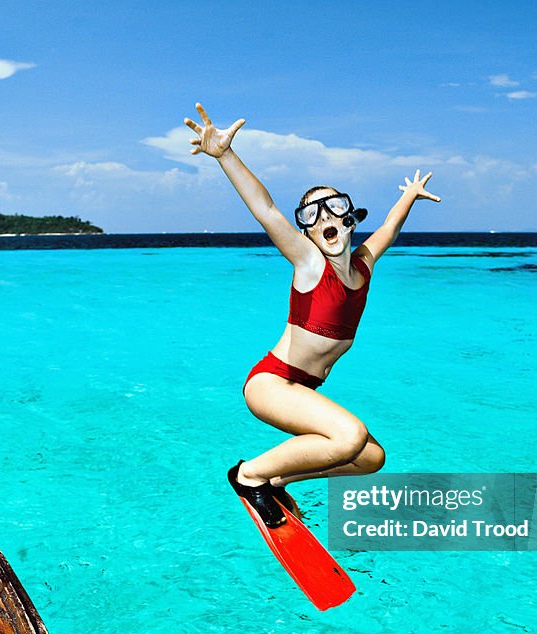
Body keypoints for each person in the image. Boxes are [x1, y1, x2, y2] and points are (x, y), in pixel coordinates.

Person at [185, 103, 440, 527]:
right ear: (305, 233)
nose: (323, 216)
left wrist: (408, 197)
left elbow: (389, 232)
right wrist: (226, 155)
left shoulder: (363, 264)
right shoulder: (309, 264)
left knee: (370, 458)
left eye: (333, 206)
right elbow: (266, 210)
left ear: (350, 219)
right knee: (349, 436)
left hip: (302, 388)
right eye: (310, 214)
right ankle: (250, 476)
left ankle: (277, 480)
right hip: (271, 383)